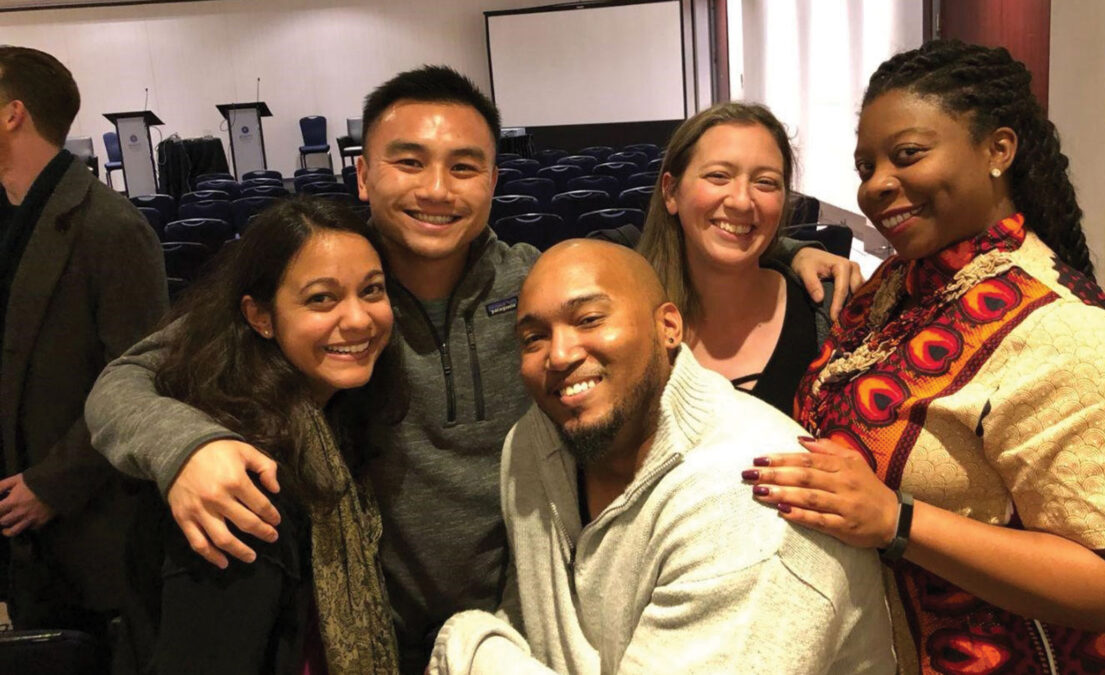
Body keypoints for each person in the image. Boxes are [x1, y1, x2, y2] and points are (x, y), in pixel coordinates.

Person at [84, 65, 862, 671]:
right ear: (364, 175)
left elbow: (643, 267)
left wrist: (786, 250)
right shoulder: (331, 293)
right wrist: (186, 447)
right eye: (408, 162)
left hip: (516, 634)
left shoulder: (535, 286)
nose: (435, 188)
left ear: (494, 180)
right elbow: (124, 381)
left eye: (464, 167)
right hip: (365, 626)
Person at [742, 40, 1105, 672]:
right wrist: (788, 250)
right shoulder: (901, 284)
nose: (877, 185)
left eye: (907, 155)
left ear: (998, 150)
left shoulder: (1064, 333)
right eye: (865, 164)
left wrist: (896, 520)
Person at [430, 239, 893, 674]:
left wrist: (470, 644)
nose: (558, 354)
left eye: (589, 319)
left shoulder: (752, 507)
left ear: (668, 327)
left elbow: (494, 647)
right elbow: (533, 619)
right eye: (533, 338)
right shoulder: (534, 441)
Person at [120, 198, 401, 674]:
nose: (357, 319)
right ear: (260, 316)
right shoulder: (239, 482)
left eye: (371, 291)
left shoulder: (332, 418)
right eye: (321, 298)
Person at [0, 45, 167, 654]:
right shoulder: (10, 214)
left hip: (84, 529)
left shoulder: (112, 228)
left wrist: (52, 484)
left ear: (12, 114)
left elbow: (142, 379)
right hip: (20, 533)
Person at [640, 102, 846, 415]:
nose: (741, 200)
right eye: (719, 176)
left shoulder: (827, 312)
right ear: (671, 192)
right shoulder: (628, 313)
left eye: (765, 182)